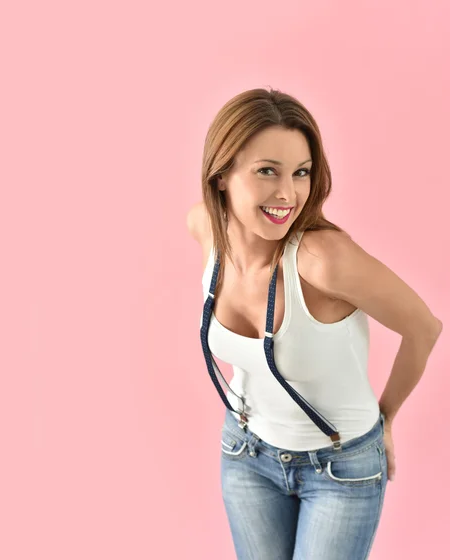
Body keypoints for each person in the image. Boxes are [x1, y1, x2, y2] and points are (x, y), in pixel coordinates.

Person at [186, 88, 443, 560]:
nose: (288, 194)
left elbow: (424, 327)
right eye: (268, 171)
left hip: (339, 468)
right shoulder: (205, 228)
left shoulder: (323, 261)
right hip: (246, 455)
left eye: (301, 173)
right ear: (221, 176)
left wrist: (386, 419)